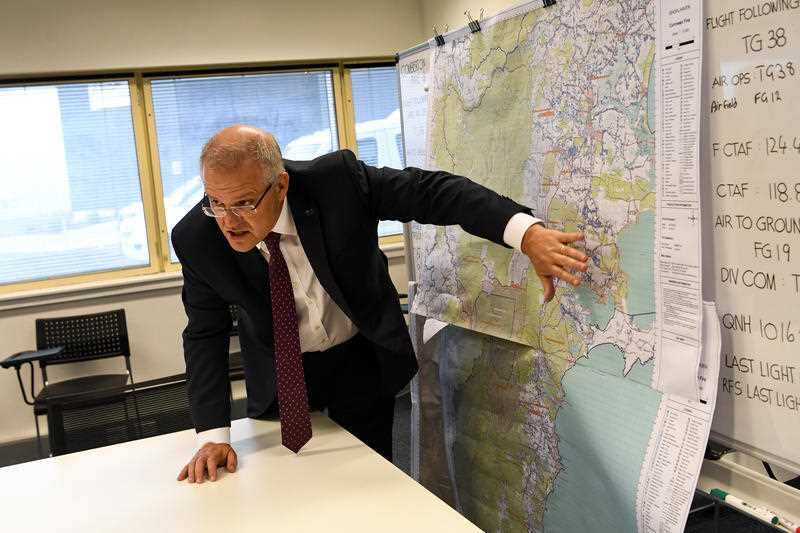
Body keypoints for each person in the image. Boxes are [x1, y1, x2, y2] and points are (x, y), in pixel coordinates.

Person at [173, 125, 588, 483]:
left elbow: (436, 194)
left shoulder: (337, 183)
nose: (228, 220)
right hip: (284, 373)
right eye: (216, 202)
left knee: (371, 480)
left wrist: (526, 234)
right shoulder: (198, 238)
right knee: (293, 488)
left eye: (244, 202)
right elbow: (204, 334)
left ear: (280, 185)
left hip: (360, 360)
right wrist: (211, 435)